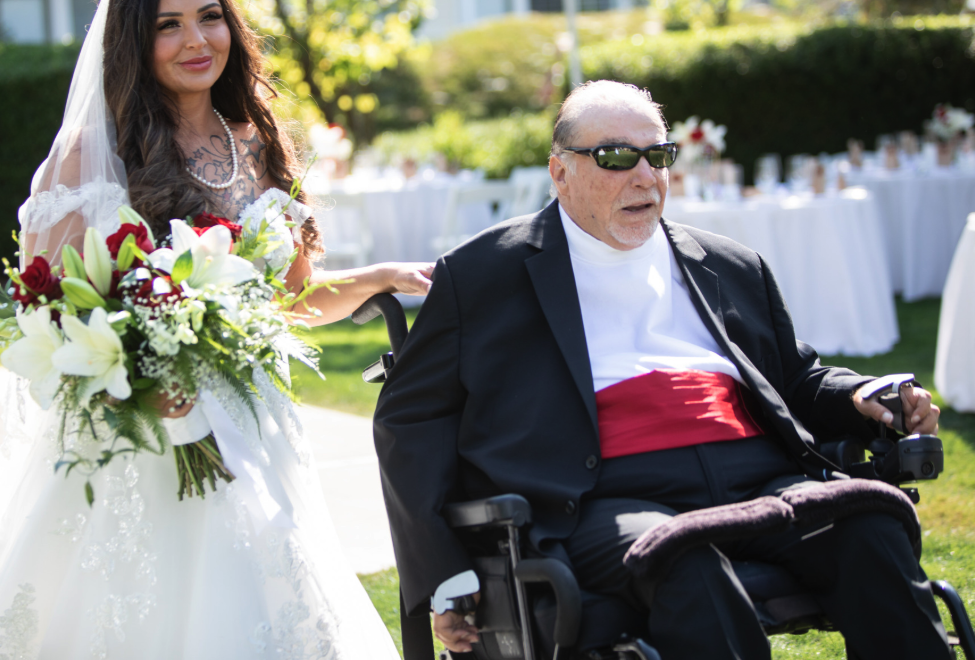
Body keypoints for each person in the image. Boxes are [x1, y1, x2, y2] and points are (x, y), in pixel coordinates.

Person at [0, 0, 430, 660]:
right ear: (134, 40)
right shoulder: (93, 155)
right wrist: (143, 372)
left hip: (254, 431)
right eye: (167, 25)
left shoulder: (256, 144)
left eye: (209, 17)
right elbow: (51, 308)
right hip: (141, 438)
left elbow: (290, 303)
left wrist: (377, 276)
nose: (196, 40)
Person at [374, 80, 950, 659]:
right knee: (685, 559)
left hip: (756, 476)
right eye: (617, 157)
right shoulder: (483, 275)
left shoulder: (728, 263)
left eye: (660, 156)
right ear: (560, 173)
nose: (645, 177)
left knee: (867, 529)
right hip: (603, 494)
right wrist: (445, 575)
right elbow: (409, 418)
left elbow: (795, 380)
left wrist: (862, 396)